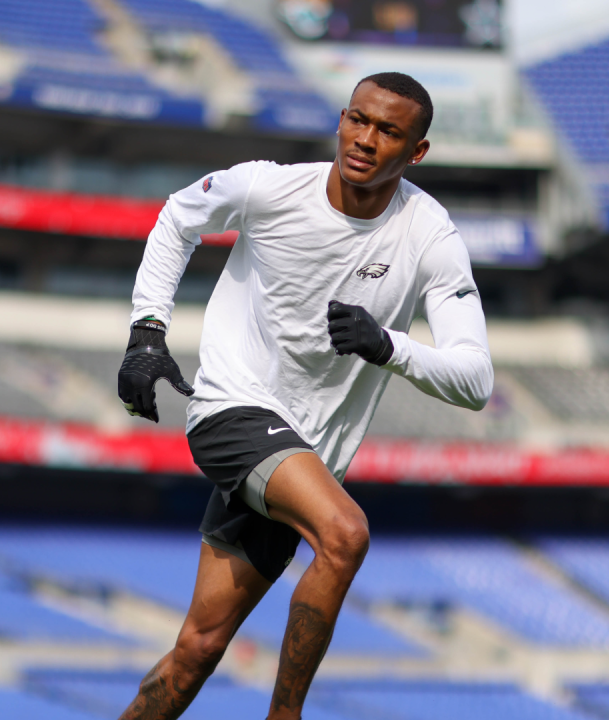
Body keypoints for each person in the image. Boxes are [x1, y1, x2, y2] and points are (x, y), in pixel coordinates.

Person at [115, 72, 493, 720]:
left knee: (198, 649)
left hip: (303, 454)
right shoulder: (271, 186)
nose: (366, 139)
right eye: (357, 120)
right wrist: (147, 332)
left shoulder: (430, 234)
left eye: (388, 131)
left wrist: (387, 346)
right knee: (345, 535)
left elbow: (476, 380)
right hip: (232, 410)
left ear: (417, 151)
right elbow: (180, 215)